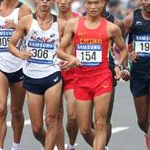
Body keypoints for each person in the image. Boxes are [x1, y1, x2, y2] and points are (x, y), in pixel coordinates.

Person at [57, 0, 128, 149]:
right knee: (84, 128)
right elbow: (60, 51)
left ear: (103, 4)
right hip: (81, 79)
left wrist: (118, 65)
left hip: (102, 78)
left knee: (100, 123)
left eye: (96, 3)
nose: (93, 7)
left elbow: (123, 49)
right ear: (85, 5)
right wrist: (71, 58)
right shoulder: (73, 24)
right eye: (89, 3)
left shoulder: (111, 28)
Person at [8, 0, 64, 149]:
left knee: (51, 120)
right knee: (37, 129)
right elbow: (11, 44)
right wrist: (21, 54)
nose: (45, 1)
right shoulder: (26, 21)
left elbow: (68, 47)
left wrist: (68, 59)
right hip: (32, 76)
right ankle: (48, 144)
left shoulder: (61, 24)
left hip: (53, 74)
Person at [0, 0, 31, 150]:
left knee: (16, 111)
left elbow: (34, 36)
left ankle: (15, 146)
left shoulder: (23, 9)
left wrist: (18, 28)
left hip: (19, 65)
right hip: (1, 65)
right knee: (0, 108)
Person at [122, 0, 150, 149]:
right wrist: (126, 63)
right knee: (142, 120)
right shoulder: (131, 19)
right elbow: (118, 45)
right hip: (138, 73)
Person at [56, 0, 79, 150]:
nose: (62, 2)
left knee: (72, 116)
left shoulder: (79, 20)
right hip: (53, 71)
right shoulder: (48, 20)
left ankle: (71, 145)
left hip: (72, 72)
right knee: (55, 116)